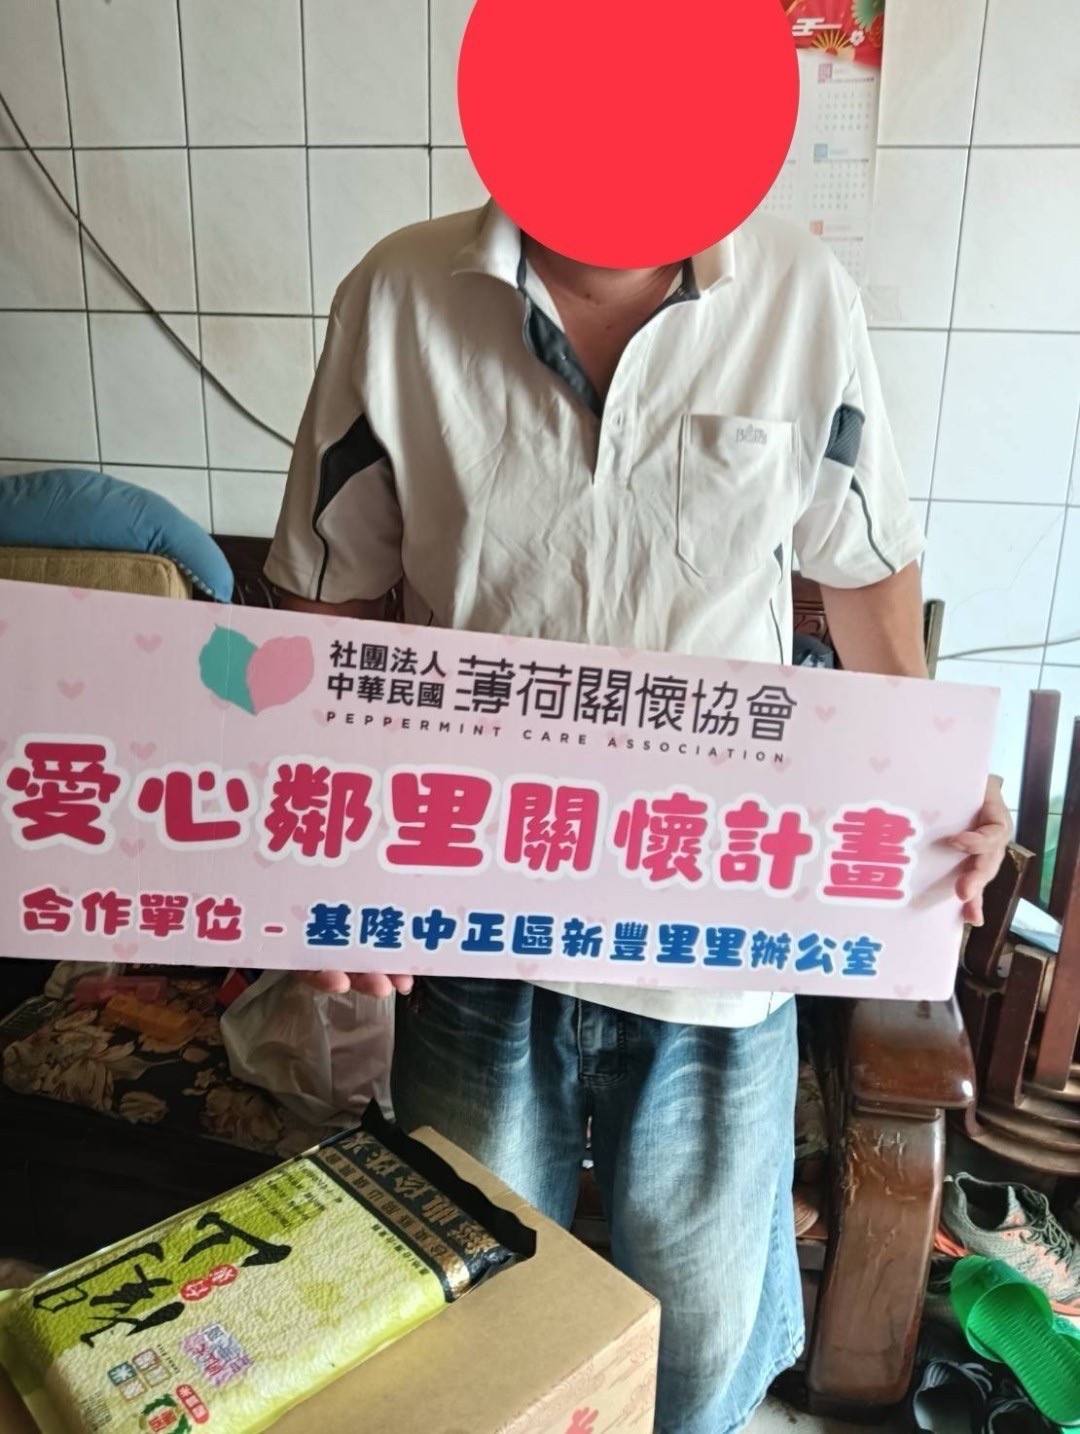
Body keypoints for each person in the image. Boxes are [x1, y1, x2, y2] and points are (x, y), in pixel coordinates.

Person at [266, 200, 1011, 1432]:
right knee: (484, 1331)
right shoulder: (398, 293)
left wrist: (943, 783)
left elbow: (868, 578)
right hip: (476, 925)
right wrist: (319, 854)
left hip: (716, 942)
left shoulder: (801, 293)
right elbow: (329, 609)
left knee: (698, 1356)